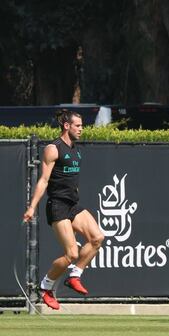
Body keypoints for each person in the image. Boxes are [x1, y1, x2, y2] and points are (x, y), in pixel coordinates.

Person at [23, 109, 104, 310]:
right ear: (66, 126)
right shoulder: (53, 148)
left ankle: (74, 276)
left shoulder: (76, 150)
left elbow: (73, 182)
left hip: (73, 205)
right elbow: (43, 181)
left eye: (82, 125)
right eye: (78, 125)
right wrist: (32, 207)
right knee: (72, 254)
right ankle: (46, 286)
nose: (81, 129)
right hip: (57, 205)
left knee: (97, 238)